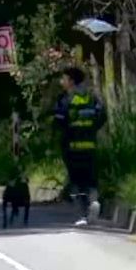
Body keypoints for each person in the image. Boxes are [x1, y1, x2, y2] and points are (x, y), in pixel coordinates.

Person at [54, 67, 107, 226]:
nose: (61, 82)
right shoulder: (91, 97)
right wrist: (91, 129)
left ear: (70, 81)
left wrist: (66, 133)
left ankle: (83, 214)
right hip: (90, 145)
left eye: (63, 79)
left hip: (72, 146)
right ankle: (94, 201)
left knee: (76, 180)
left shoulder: (65, 99)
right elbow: (102, 115)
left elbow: (59, 121)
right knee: (91, 177)